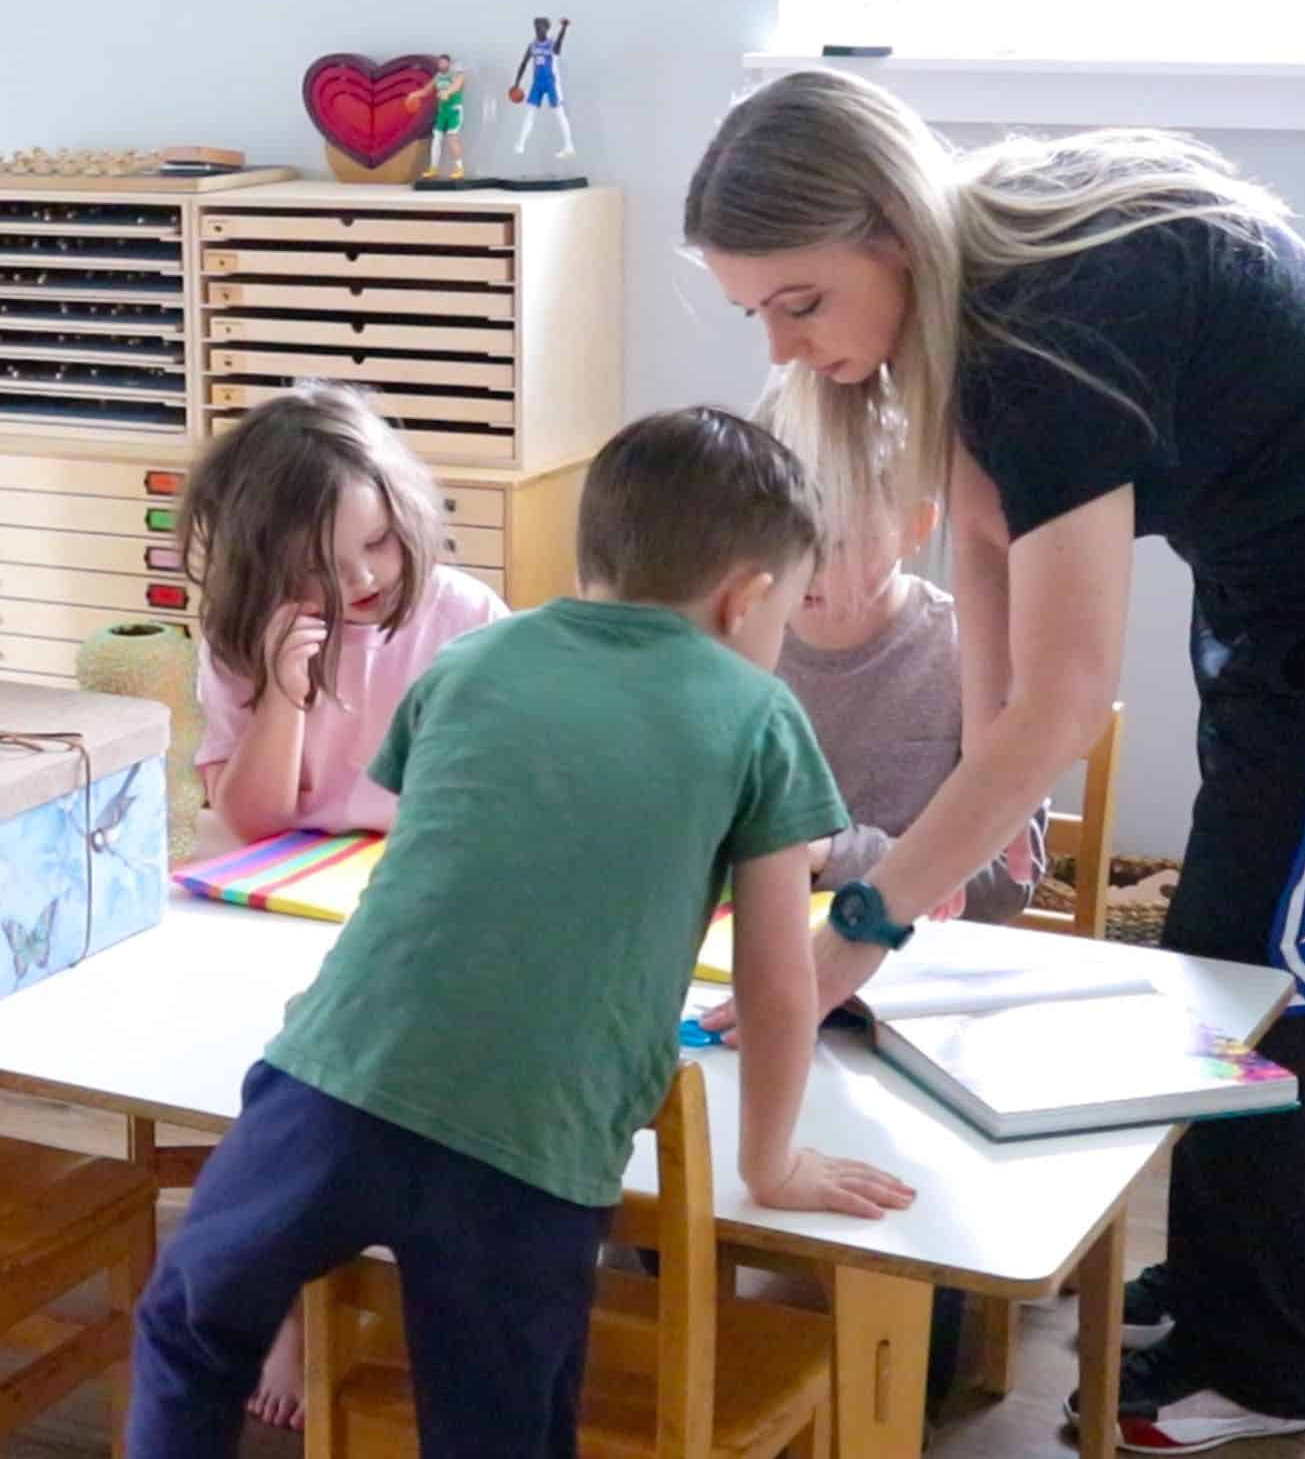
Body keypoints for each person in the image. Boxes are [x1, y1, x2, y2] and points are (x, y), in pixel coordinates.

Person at [688, 69, 1305, 1453]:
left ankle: (1268, 1361)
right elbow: (989, 535)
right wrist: (998, 789)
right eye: (752, 311)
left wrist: (856, 936)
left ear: (890, 229)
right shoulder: (955, 314)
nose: (784, 344)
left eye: (801, 301)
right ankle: (1241, 1274)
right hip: (1266, 581)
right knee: (1224, 947)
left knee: (1276, 972)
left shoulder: (1048, 334)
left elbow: (1067, 698)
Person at [130, 406, 916, 1459]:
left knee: (189, 1328)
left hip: (332, 1086)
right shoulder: (760, 715)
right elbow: (778, 985)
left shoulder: (471, 660)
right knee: (495, 1429)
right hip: (529, 1153)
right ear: (746, 598)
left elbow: (434, 867)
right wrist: (769, 1164)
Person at [176, 381, 509, 1427]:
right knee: (266, 1078)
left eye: (375, 546)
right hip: (280, 887)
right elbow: (250, 820)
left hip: (417, 893)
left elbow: (494, 800)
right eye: (320, 565)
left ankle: (375, 1275)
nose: (360, 581)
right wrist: (285, 688)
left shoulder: (464, 618)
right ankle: (283, 1297)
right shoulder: (244, 635)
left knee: (382, 1082)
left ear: (406, 516)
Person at [763, 389, 1045, 1415]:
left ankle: (909, 1336)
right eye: (784, 533)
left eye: (838, 538)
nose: (806, 567)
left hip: (919, 1003)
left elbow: (1009, 880)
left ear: (916, 524)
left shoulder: (966, 651)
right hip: (750, 983)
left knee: (909, 1384)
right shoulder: (736, 638)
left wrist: (835, 852)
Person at [511, 16, 576, 158]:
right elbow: (523, 63)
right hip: (537, 82)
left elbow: (559, 46)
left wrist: (563, 28)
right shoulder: (532, 46)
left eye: (540, 27)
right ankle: (521, 143)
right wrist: (517, 83)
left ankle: (569, 146)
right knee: (529, 112)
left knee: (559, 113)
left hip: (551, 82)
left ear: (547, 28)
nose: (538, 30)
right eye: (536, 27)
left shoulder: (551, 44)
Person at [408, 54, 467, 180]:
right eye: (440, 63)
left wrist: (447, 92)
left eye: (444, 63)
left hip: (454, 112)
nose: (441, 65)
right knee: (436, 139)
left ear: (449, 64)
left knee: (452, 139)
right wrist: (414, 95)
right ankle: (433, 169)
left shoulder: (458, 76)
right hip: (442, 112)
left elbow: (456, 87)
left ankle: (459, 169)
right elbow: (426, 91)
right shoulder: (438, 77)